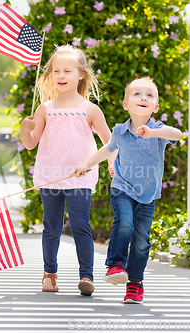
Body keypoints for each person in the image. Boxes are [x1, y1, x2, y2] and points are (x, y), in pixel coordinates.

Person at [72, 77, 182, 303]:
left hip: (148, 195)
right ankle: (115, 265)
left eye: (149, 95)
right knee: (124, 223)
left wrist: (153, 133)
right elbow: (107, 149)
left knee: (142, 241)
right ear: (126, 104)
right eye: (137, 94)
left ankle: (135, 284)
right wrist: (86, 164)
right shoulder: (121, 131)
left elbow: (177, 134)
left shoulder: (158, 130)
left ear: (156, 107)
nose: (143, 97)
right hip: (122, 188)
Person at [20, 45, 112, 296]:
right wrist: (23, 128)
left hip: (79, 177)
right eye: (56, 71)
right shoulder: (44, 109)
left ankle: (86, 276)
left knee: (81, 225)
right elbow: (30, 144)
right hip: (50, 176)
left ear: (81, 74)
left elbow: (111, 144)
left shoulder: (90, 109)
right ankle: (49, 271)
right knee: (51, 226)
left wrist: (106, 163)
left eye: (67, 71)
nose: (61, 75)